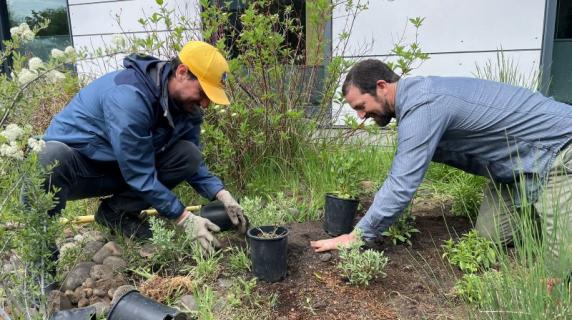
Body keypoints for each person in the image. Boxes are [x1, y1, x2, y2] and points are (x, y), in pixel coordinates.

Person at [310, 59, 572, 272]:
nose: (360, 115)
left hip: (558, 149)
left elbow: (402, 183)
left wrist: (357, 236)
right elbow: (404, 169)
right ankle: (542, 218)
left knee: (560, 266)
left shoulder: (423, 105)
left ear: (382, 86)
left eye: (361, 106)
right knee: (490, 237)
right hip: (513, 169)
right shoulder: (416, 102)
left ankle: (558, 224)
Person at [40, 41, 247, 254]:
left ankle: (115, 214)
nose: (205, 104)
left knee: (188, 154)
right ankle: (42, 264)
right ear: (182, 72)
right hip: (81, 170)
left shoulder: (186, 107)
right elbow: (138, 172)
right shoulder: (129, 97)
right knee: (50, 157)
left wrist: (221, 193)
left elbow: (192, 162)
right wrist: (184, 217)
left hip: (122, 167)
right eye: (203, 92)